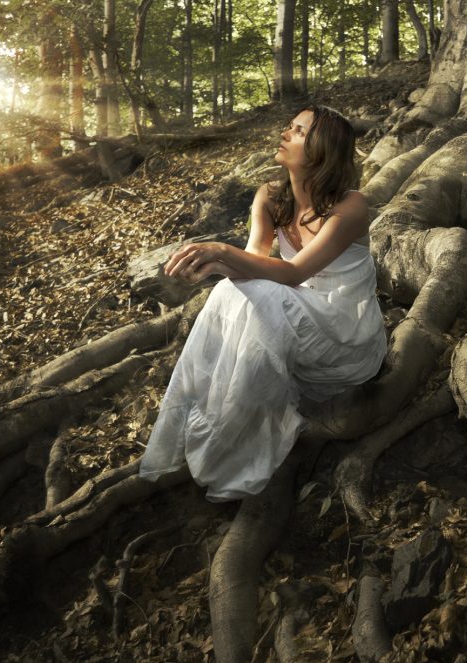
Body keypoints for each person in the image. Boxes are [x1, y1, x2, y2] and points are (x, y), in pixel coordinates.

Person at [138, 105, 387, 500]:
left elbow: (291, 274)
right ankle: (219, 425)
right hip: (297, 323)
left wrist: (221, 249)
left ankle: (245, 442)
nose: (285, 133)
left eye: (299, 131)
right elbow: (256, 261)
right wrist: (213, 266)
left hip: (348, 341)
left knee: (266, 293)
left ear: (322, 150)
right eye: (289, 126)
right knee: (226, 291)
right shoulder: (270, 197)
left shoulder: (350, 207)